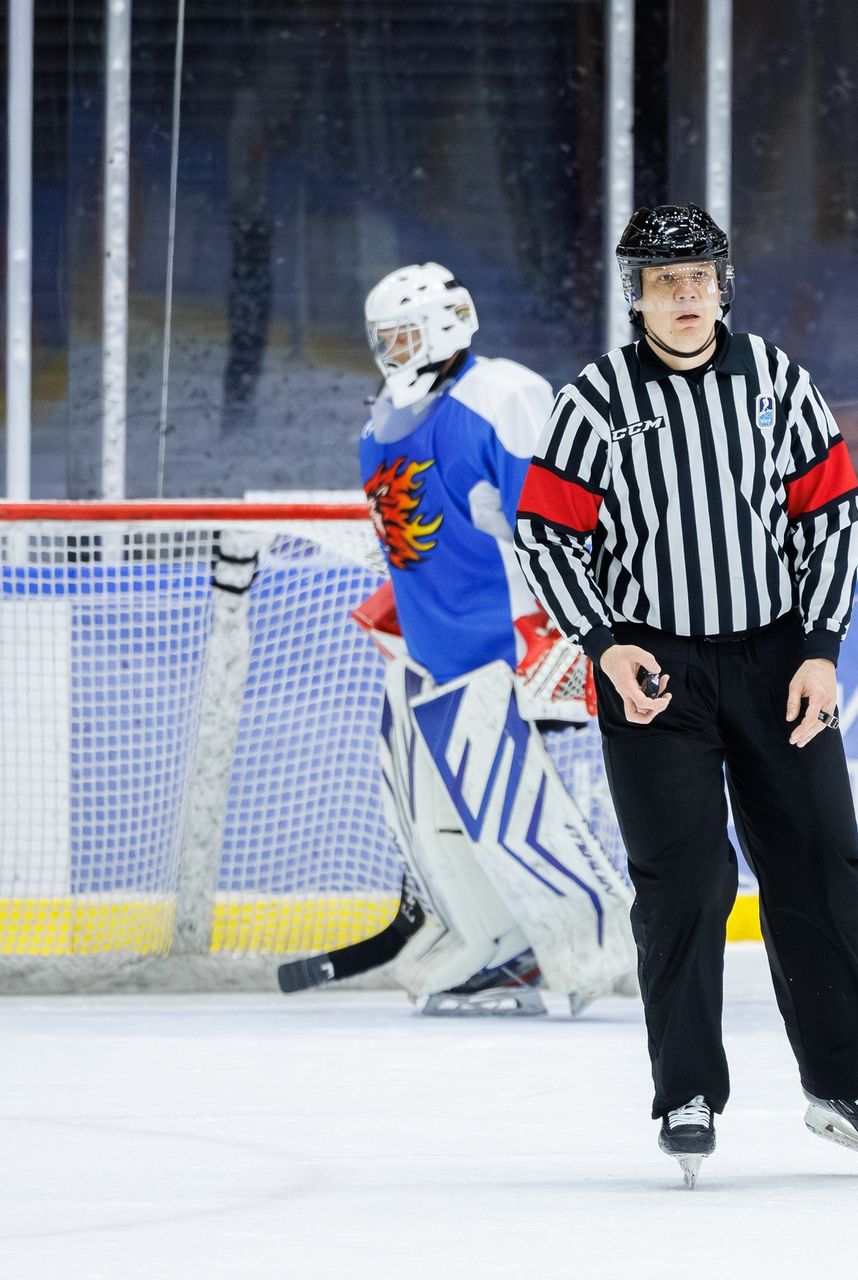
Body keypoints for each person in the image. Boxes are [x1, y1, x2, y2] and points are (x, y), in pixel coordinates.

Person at [513, 205, 858, 1185]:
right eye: (665, 282)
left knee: (821, 863)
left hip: (778, 659)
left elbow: (834, 517)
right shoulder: (596, 402)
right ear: (638, 297)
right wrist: (605, 645)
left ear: (723, 285)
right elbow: (545, 532)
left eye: (698, 277)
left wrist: (820, 649)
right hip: (655, 670)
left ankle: (850, 1084)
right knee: (687, 879)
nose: (685, 296)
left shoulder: (778, 383)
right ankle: (687, 1092)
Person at [350, 262, 636, 1016]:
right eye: (383, 337)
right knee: (438, 823)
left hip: (504, 649)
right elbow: (421, 536)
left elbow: (558, 518)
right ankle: (500, 945)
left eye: (402, 335)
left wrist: (570, 627)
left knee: (517, 818)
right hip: (430, 655)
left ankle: (596, 949)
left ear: (446, 326)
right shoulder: (383, 418)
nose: (389, 351)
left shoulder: (502, 394)